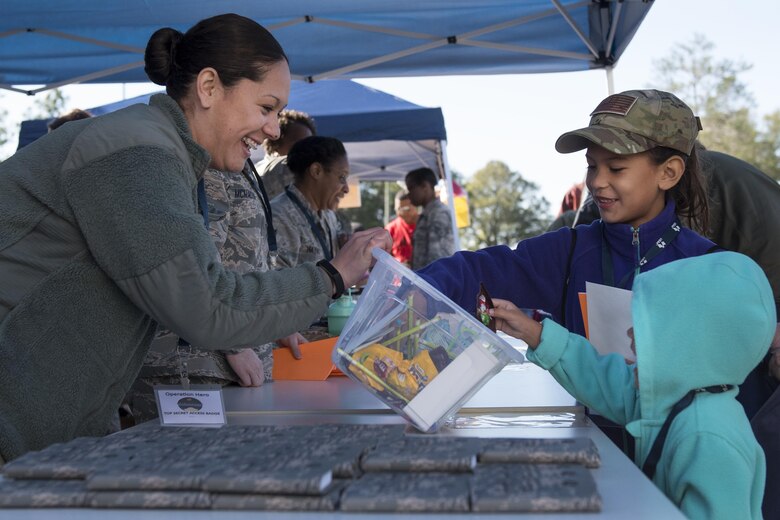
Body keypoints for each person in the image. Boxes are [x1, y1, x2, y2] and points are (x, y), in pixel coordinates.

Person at [0, 13, 390, 463]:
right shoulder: (135, 154)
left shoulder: (165, 152)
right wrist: (332, 275)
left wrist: (273, 316)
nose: (274, 130)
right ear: (208, 88)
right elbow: (209, 304)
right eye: (265, 108)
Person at [417, 89, 717, 448]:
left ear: (668, 173)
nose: (596, 181)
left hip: (683, 463)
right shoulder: (572, 250)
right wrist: (416, 292)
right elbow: (476, 270)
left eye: (616, 168)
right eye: (592, 165)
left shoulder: (711, 268)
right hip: (599, 456)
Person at [489, 252, 773, 520]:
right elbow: (600, 377)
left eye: (650, 327)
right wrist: (533, 332)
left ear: (690, 342)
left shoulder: (708, 438)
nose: (630, 333)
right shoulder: (677, 400)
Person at [127, 161, 308, 424]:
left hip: (232, 363)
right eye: (265, 116)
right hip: (194, 366)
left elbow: (246, 262)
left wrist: (274, 323)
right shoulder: (202, 166)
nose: (272, 130)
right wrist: (233, 346)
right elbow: (192, 269)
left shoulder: (238, 165)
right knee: (180, 462)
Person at [271, 135, 350, 268]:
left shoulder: (328, 216)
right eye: (341, 177)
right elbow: (278, 283)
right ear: (316, 171)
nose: (346, 189)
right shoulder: (279, 218)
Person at [255, 109, 317, 198]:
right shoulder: (284, 167)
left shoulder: (255, 170)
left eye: (310, 145)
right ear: (275, 142)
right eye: (299, 144)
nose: (307, 150)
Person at [405, 167, 455, 270]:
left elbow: (437, 258)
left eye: (411, 188)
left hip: (432, 282)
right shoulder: (427, 213)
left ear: (425, 186)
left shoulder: (439, 213)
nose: (409, 195)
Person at [385, 190, 418, 266]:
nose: (402, 213)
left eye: (406, 209)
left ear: (415, 205)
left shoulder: (427, 226)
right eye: (398, 209)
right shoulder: (390, 229)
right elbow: (385, 259)